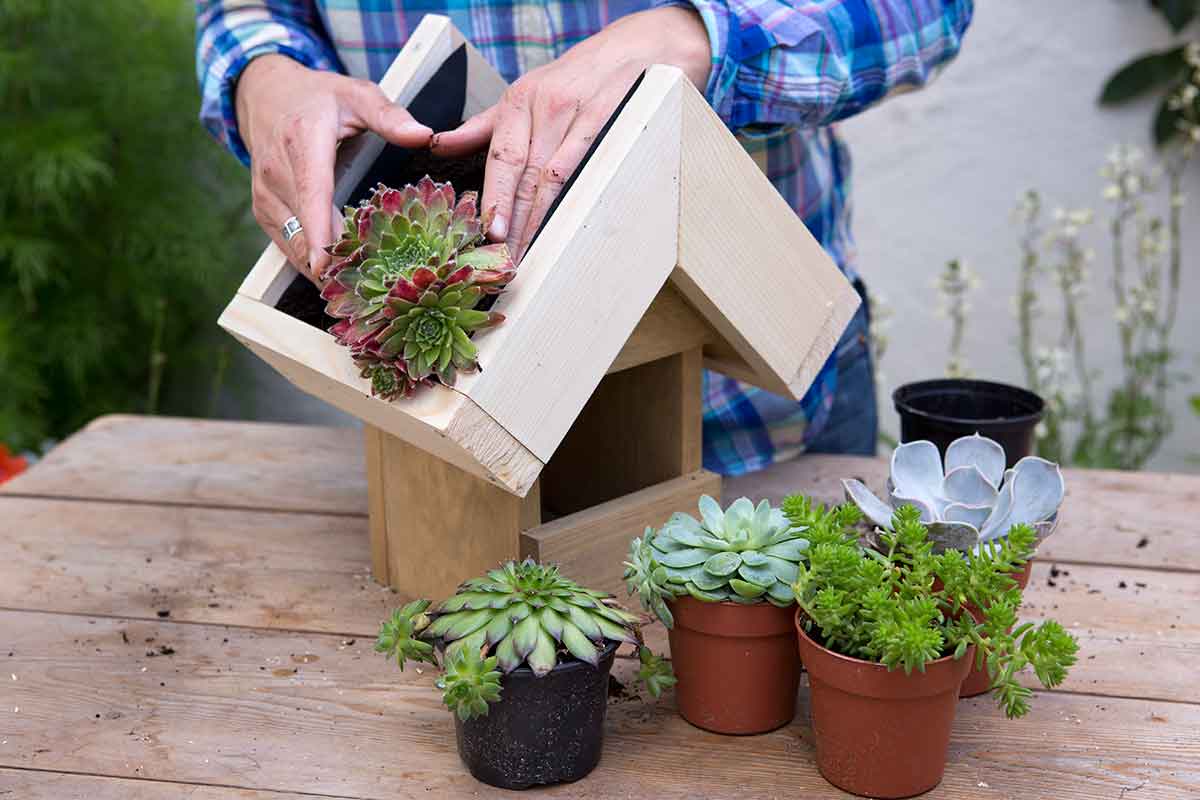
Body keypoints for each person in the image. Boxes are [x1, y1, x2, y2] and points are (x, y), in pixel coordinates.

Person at [196, 0, 972, 475]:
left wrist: (705, 35)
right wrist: (263, 75)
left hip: (755, 405)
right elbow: (247, 12)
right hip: (445, 438)